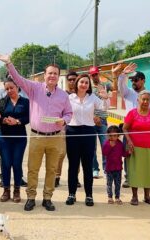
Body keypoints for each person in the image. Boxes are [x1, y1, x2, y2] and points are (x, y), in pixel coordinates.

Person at [0, 53, 73, 212]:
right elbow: (18, 79)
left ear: (59, 77)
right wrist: (9, 63)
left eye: (55, 74)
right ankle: (31, 197)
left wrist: (64, 121)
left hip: (55, 137)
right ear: (44, 75)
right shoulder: (34, 88)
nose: (52, 76)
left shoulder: (63, 95)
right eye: (49, 73)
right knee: (33, 168)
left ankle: (47, 198)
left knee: (51, 169)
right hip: (37, 136)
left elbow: (69, 114)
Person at [113, 63, 150, 188]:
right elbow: (121, 86)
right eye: (132, 80)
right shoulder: (128, 93)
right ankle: (129, 178)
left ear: (143, 80)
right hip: (129, 130)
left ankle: (148, 180)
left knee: (147, 158)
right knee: (129, 155)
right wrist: (123, 74)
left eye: (136, 80)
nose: (133, 82)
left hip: (146, 131)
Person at [65, 74, 109, 207]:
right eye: (81, 82)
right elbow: (62, 113)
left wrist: (106, 98)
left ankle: (89, 195)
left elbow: (103, 111)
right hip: (72, 132)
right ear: (76, 83)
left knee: (87, 166)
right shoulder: (69, 98)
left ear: (89, 85)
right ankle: (71, 194)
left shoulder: (93, 98)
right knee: (73, 165)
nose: (84, 84)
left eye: (86, 83)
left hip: (89, 132)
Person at [123, 90, 150, 206]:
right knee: (134, 171)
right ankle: (134, 197)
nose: (145, 102)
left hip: (149, 146)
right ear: (138, 100)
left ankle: (147, 196)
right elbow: (125, 128)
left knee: (148, 172)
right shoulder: (132, 113)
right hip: (134, 147)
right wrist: (129, 141)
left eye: (147, 100)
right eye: (143, 99)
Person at [0, 79, 29, 203]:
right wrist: (4, 120)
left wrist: (18, 121)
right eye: (7, 89)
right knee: (5, 163)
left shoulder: (25, 102)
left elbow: (28, 117)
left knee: (16, 163)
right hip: (4, 137)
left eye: (12, 88)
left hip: (19, 138)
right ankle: (6, 190)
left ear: (17, 87)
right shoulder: (3, 102)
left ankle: (16, 190)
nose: (9, 90)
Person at [55, 71, 81, 188]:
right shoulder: (62, 95)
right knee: (60, 154)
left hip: (77, 129)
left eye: (74, 79)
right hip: (64, 129)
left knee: (76, 155)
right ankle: (56, 177)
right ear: (67, 81)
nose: (72, 81)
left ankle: (75, 178)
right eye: (69, 79)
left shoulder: (82, 95)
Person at [89, 66, 112, 178]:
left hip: (103, 118)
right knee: (91, 147)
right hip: (91, 119)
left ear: (99, 74)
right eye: (93, 75)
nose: (95, 76)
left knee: (105, 145)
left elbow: (116, 87)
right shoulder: (88, 88)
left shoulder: (105, 85)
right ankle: (95, 169)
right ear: (90, 76)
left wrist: (115, 75)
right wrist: (94, 116)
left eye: (96, 74)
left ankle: (106, 168)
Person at [102, 125, 129, 205]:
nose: (112, 137)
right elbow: (104, 153)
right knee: (109, 184)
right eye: (110, 135)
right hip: (109, 168)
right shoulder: (106, 143)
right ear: (107, 135)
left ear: (118, 136)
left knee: (117, 184)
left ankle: (117, 197)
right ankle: (110, 197)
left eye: (114, 136)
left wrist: (128, 153)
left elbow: (123, 154)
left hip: (118, 168)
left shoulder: (120, 144)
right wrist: (110, 146)